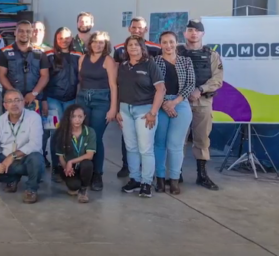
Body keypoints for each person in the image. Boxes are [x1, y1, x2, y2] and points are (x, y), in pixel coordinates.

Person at [116, 36, 166, 198]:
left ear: (142, 47)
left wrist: (153, 112)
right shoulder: (123, 66)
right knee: (131, 147)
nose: (133, 48)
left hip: (144, 111)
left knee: (145, 148)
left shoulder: (150, 64)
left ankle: (146, 182)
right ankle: (135, 179)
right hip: (125, 110)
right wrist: (118, 110)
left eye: (136, 45)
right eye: (130, 45)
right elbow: (118, 88)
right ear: (126, 48)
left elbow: (161, 90)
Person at [178, 19, 223, 191]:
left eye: (197, 30)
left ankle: (202, 175)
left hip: (203, 101)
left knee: (202, 139)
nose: (193, 33)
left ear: (202, 34)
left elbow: (217, 79)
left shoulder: (212, 55)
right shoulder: (177, 52)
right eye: (190, 30)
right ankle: (177, 173)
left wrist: (200, 89)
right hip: (180, 101)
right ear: (185, 33)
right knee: (178, 139)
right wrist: (184, 92)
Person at [0, 89, 44, 203]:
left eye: (17, 100)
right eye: (9, 101)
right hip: (6, 159)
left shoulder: (34, 117)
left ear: (23, 102)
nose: (14, 104)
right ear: (5, 105)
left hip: (25, 158)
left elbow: (35, 144)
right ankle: (13, 178)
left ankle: (31, 190)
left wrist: (12, 156)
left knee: (37, 159)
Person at [153, 31, 196, 194]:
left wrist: (174, 103)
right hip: (160, 104)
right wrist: (164, 103)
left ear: (176, 43)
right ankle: (160, 179)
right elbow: (151, 84)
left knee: (176, 145)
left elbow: (191, 84)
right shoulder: (154, 61)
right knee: (160, 143)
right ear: (160, 44)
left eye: (171, 42)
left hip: (181, 104)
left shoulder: (186, 61)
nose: (168, 45)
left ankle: (175, 179)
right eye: (164, 42)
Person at [76, 31, 119, 191]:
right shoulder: (82, 58)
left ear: (105, 44)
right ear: (90, 43)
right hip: (82, 99)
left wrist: (113, 108)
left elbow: (113, 86)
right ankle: (83, 171)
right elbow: (80, 82)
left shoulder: (108, 60)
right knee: (83, 136)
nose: (97, 44)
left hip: (101, 100)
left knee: (96, 137)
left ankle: (97, 174)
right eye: (95, 41)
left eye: (101, 42)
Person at [44, 27, 82, 181]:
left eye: (67, 38)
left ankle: (70, 165)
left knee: (71, 133)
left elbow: (81, 78)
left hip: (71, 100)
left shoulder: (78, 55)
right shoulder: (48, 55)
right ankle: (56, 167)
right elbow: (44, 78)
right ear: (56, 39)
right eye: (61, 38)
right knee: (55, 132)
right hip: (53, 100)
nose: (64, 41)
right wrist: (44, 100)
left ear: (71, 39)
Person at [54, 104, 96, 203]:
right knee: (73, 186)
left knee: (87, 164)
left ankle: (84, 190)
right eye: (74, 116)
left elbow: (90, 155)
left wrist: (71, 162)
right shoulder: (62, 132)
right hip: (68, 167)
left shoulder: (89, 132)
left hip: (81, 164)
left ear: (84, 117)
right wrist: (67, 168)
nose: (77, 120)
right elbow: (60, 156)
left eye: (80, 117)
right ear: (69, 117)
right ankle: (75, 184)